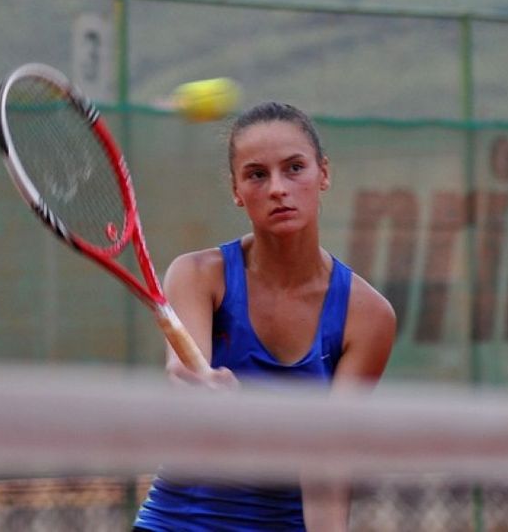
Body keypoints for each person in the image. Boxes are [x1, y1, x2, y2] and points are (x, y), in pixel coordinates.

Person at [134, 101, 397, 531]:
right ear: (237, 190)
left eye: (294, 168)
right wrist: (199, 390)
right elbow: (184, 377)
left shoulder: (367, 315)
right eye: (257, 174)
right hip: (179, 522)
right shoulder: (197, 276)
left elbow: (328, 467)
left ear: (323, 174)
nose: (278, 188)